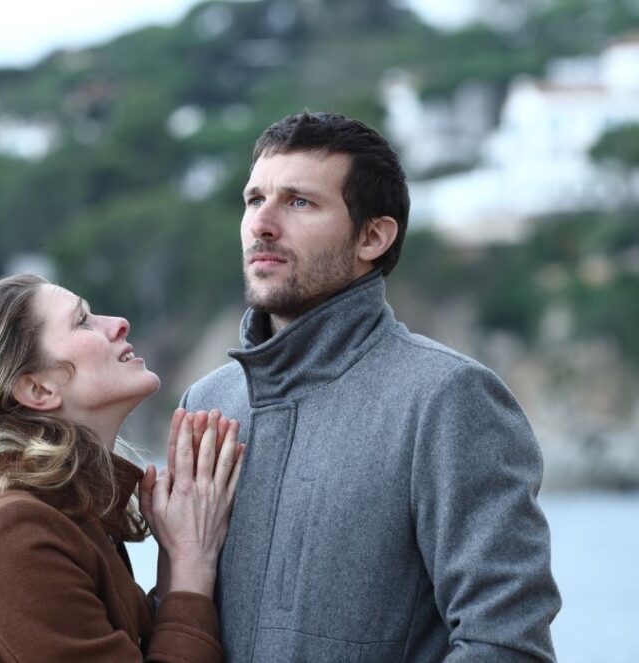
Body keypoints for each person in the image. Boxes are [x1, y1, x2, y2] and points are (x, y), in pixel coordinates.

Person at [181, 111, 561, 661]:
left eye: (299, 202)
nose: (262, 223)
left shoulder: (447, 399)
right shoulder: (209, 403)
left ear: (373, 236)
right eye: (253, 199)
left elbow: (506, 644)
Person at [0, 273, 245, 662]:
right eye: (82, 320)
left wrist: (172, 577)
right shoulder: (13, 536)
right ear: (39, 390)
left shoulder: (63, 509)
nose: (118, 324)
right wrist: (190, 567)